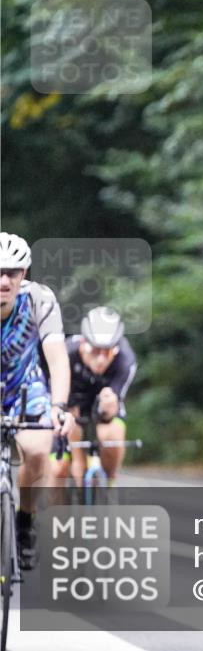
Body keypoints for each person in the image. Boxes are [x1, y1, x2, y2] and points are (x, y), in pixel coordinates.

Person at [0, 232, 74, 569]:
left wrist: (59, 408)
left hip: (25, 389)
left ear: (24, 273)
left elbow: (57, 358)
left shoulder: (39, 300)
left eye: (12, 272)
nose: (4, 280)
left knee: (39, 450)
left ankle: (25, 519)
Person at [51, 306, 136, 488]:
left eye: (107, 352)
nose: (101, 359)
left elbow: (113, 407)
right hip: (70, 404)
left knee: (112, 436)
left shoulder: (125, 359)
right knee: (58, 470)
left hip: (101, 404)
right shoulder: (67, 354)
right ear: (83, 342)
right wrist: (79, 459)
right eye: (95, 350)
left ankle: (109, 482)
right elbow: (58, 399)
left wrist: (108, 407)